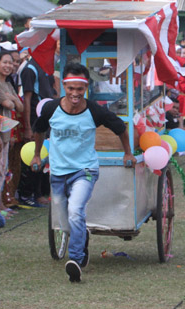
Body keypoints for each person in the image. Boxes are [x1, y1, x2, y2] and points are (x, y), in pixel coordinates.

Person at [32, 62, 134, 283]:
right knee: (63, 219)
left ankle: (76, 260)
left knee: (76, 211)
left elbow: (120, 128)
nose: (75, 94)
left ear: (86, 88)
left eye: (80, 89)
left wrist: (128, 153)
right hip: (58, 171)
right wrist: (37, 155)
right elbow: (39, 130)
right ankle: (82, 237)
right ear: (64, 87)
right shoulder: (51, 109)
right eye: (71, 89)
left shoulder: (94, 110)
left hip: (84, 170)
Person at [20, 52, 56, 207]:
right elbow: (27, 99)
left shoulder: (46, 68)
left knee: (45, 155)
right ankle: (32, 194)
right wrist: (28, 126)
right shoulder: (29, 69)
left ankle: (43, 191)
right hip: (36, 119)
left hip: (49, 119)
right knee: (35, 156)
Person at [0, 51, 23, 211]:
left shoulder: (9, 84)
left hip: (7, 132)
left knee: (3, 169)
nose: (8, 66)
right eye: (5, 62)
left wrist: (11, 98)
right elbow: (10, 105)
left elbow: (20, 106)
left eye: (10, 63)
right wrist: (12, 99)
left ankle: (0, 204)